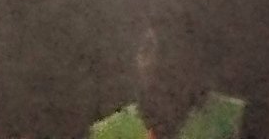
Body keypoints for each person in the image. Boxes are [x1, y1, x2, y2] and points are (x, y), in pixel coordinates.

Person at [86, 17, 246, 139]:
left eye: (169, 49)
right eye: (147, 48)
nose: (155, 61)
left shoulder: (230, 118)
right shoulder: (109, 132)